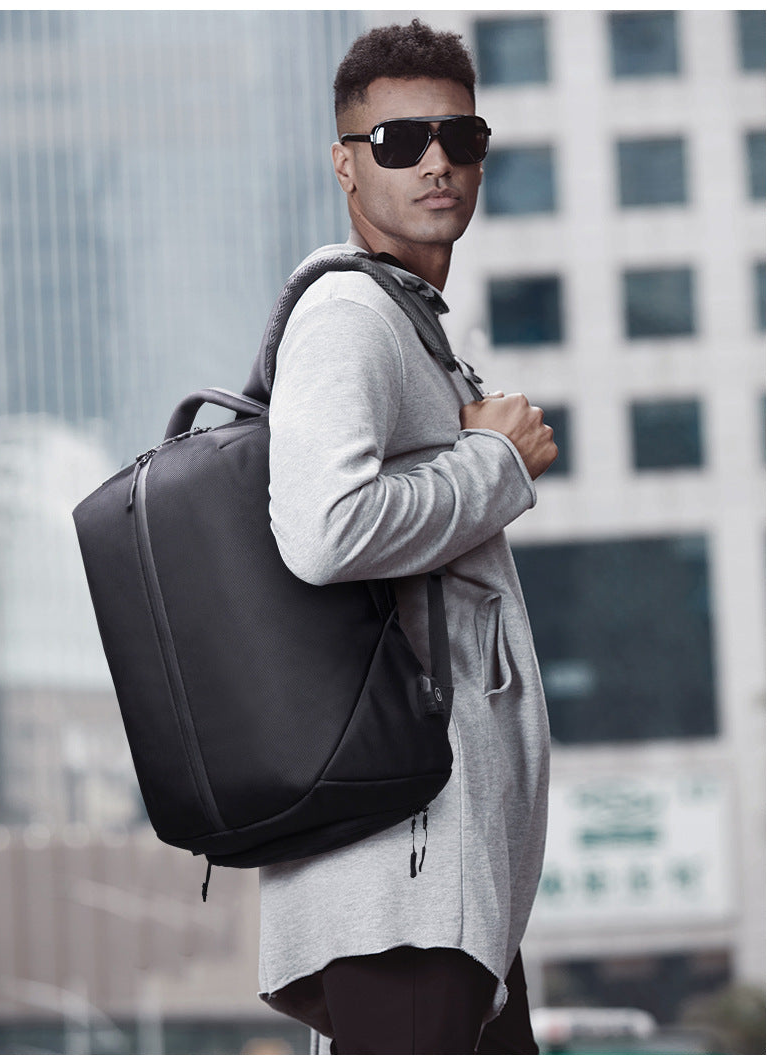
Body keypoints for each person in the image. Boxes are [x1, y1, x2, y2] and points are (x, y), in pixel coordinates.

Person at [257, 19, 556, 1055]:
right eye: (397, 141)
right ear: (346, 165)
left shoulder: (408, 320)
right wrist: (495, 462)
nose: (435, 162)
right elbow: (323, 530)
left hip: (439, 867)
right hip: (403, 871)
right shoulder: (349, 314)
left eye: (458, 138)